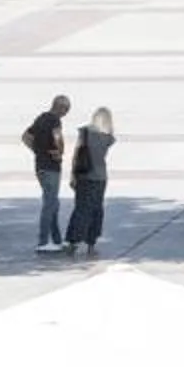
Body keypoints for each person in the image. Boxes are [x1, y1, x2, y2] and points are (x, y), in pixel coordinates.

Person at [63, 107, 115, 257]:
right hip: (100, 178)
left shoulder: (84, 132)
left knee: (81, 209)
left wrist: (72, 175)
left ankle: (73, 242)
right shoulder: (108, 137)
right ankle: (91, 244)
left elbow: (76, 155)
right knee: (96, 209)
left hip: (84, 176)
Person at [23, 94, 72, 252]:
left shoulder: (41, 118)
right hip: (51, 167)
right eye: (66, 109)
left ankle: (57, 239)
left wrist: (38, 152)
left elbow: (26, 137)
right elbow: (57, 137)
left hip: (40, 166)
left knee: (53, 203)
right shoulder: (55, 120)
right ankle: (43, 241)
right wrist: (59, 151)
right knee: (50, 203)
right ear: (60, 107)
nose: (66, 113)